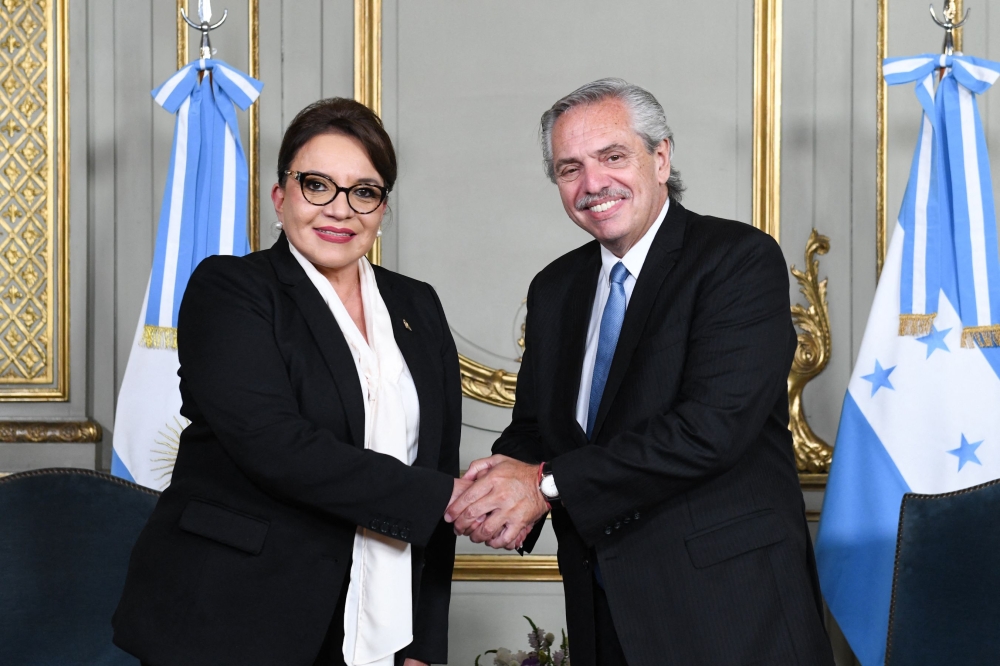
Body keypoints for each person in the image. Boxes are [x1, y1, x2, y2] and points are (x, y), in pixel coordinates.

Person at [446, 79, 836, 665]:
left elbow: (708, 430)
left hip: (729, 611)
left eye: (612, 156)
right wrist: (492, 488)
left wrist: (543, 486)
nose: (592, 184)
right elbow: (536, 427)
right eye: (569, 169)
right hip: (603, 610)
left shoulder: (737, 259)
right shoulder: (555, 287)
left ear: (660, 157)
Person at [113, 98, 467, 666]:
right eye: (317, 185)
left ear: (382, 208)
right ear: (281, 197)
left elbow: (436, 461)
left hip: (379, 621)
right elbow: (277, 446)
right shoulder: (230, 289)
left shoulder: (417, 305)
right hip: (232, 617)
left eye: (364, 191)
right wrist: (451, 500)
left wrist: (423, 642)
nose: (340, 209)